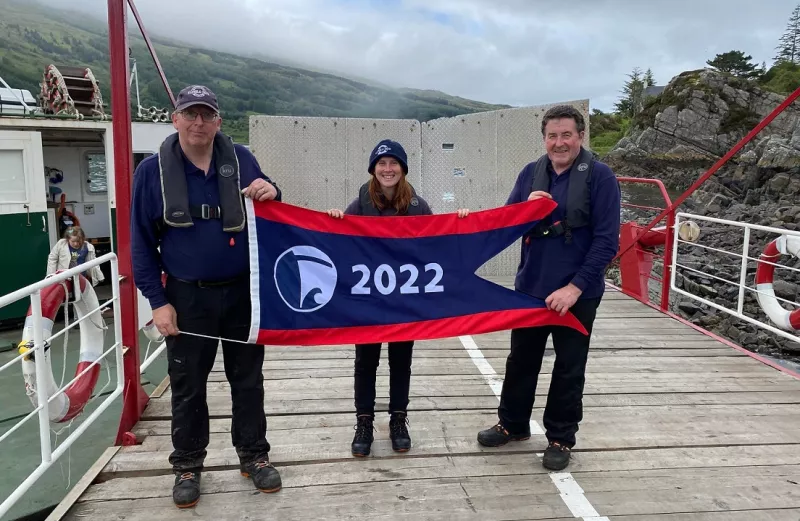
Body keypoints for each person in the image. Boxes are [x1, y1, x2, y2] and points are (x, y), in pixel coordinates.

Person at [131, 85, 282, 509]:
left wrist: (274, 190)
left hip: (241, 295)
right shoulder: (151, 173)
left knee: (248, 381)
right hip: (186, 298)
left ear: (218, 122)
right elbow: (141, 246)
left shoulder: (241, 159)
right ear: (174, 119)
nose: (198, 122)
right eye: (189, 114)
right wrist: (157, 301)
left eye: (206, 114)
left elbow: (270, 201)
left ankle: (254, 455)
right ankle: (187, 465)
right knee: (188, 385)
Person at [476, 105, 621, 471]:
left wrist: (574, 288)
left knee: (570, 367)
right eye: (552, 136)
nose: (559, 143)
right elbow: (506, 225)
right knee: (521, 361)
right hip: (531, 288)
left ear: (580, 137)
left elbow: (606, 241)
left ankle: (560, 437)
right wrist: (520, 210)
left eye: (566, 135)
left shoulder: (600, 177)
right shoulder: (530, 174)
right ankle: (513, 424)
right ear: (544, 139)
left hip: (578, 293)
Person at [327, 139, 469, 457]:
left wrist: (461, 220)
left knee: (400, 361)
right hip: (368, 300)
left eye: (394, 163)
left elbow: (439, 242)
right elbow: (338, 241)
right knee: (366, 362)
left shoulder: (418, 206)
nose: (388, 169)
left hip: (405, 299)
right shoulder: (359, 205)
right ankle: (364, 422)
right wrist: (333, 220)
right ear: (373, 169)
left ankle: (398, 420)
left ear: (402, 169)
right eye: (382, 163)